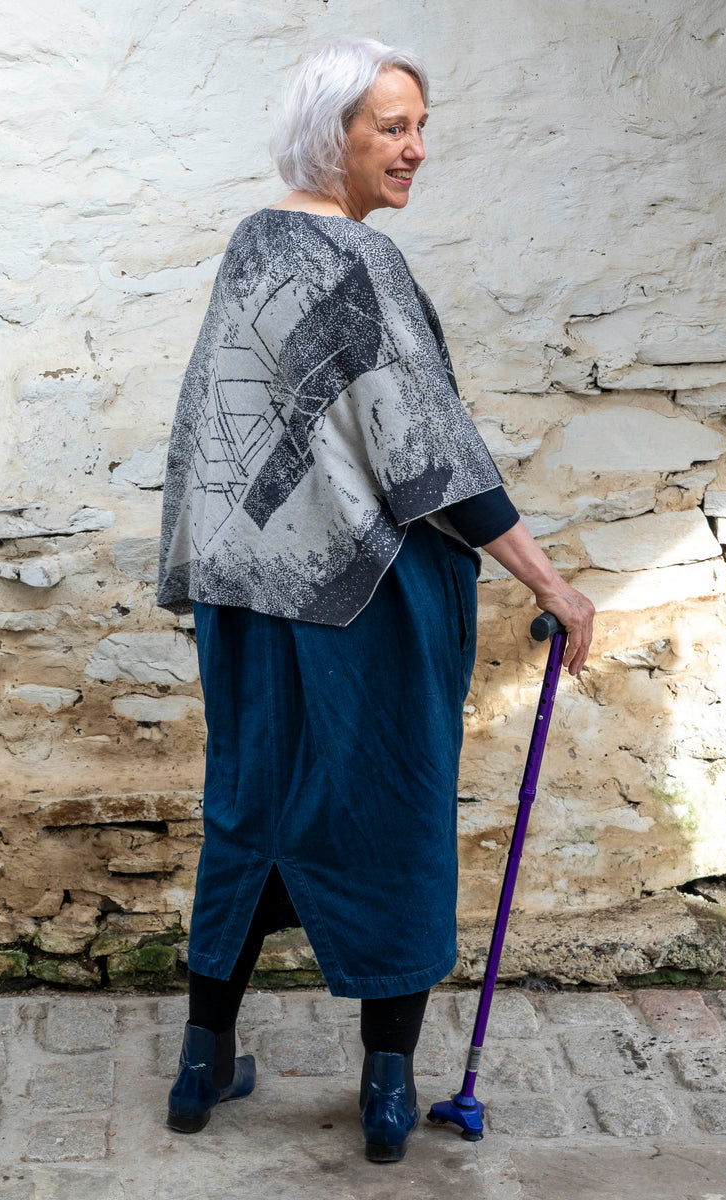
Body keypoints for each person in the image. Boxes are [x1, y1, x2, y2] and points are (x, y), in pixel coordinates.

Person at [156, 37, 594, 1163]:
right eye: (389, 128)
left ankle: (203, 1064)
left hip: (249, 599)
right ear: (331, 137)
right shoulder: (364, 266)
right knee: (392, 820)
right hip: (365, 603)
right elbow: (433, 459)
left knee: (250, 814)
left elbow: (216, 439)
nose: (414, 148)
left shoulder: (251, 250)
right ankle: (389, 1091)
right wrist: (549, 581)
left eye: (418, 124)